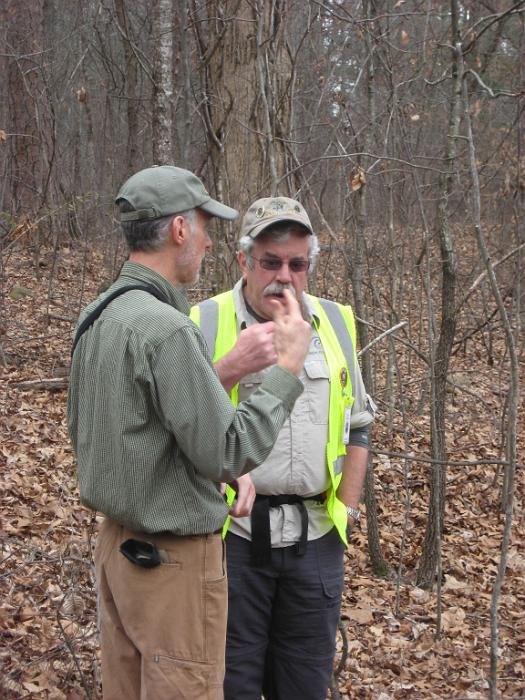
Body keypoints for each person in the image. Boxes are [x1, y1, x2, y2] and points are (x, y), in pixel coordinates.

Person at [67, 167, 312, 700]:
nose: (207, 240)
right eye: (204, 226)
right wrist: (287, 368)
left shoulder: (98, 315)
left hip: (116, 553)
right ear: (179, 229)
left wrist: (200, 481)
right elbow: (231, 451)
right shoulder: (168, 328)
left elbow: (119, 434)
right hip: (170, 567)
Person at [190, 196, 376, 700]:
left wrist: (349, 513)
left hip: (316, 541)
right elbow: (181, 424)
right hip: (234, 540)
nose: (284, 277)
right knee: (234, 685)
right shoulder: (201, 323)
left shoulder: (336, 322)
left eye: (297, 264)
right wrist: (228, 365)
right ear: (244, 261)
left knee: (306, 685)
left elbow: (358, 425)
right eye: (271, 262)